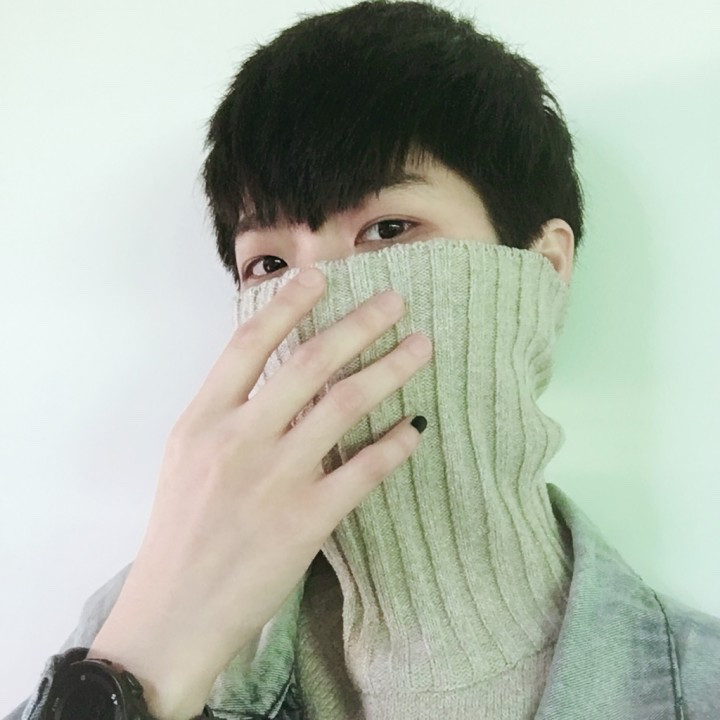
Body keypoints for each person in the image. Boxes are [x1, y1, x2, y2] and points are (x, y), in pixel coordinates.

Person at [6, 1, 720, 719]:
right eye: (269, 265)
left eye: (388, 228)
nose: (315, 299)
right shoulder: (134, 625)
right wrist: (147, 660)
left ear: (544, 267)